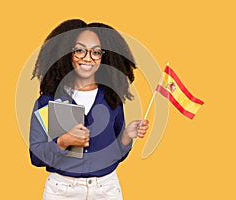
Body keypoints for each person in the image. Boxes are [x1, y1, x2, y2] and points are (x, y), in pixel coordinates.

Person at [29, 19, 149, 200]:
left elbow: (115, 155)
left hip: (106, 188)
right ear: (66, 53)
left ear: (103, 57)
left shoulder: (111, 99)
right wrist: (62, 142)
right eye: (79, 50)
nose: (88, 58)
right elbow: (36, 157)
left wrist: (126, 137)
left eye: (96, 52)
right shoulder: (48, 101)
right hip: (63, 190)